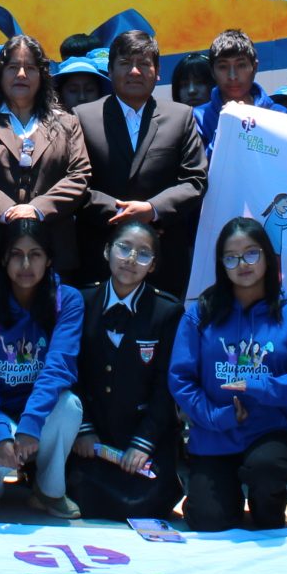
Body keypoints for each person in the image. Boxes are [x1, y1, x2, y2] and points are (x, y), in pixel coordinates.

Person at [170, 217, 287, 531]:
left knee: (266, 491)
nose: (242, 264)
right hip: (215, 432)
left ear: (267, 256)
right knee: (208, 520)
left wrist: (261, 385)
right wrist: (216, 416)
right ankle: (216, 493)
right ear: (221, 264)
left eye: (251, 253)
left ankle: (266, 499)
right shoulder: (200, 314)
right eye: (231, 257)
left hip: (271, 431)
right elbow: (181, 379)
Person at [0, 34, 92, 321]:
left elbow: (79, 175)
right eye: (13, 67)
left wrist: (37, 209)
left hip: (52, 252)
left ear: (43, 75)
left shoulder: (67, 122)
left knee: (49, 335)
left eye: (30, 68)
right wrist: (8, 211)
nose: (21, 75)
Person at [0, 221, 86, 515]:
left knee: (70, 406)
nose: (26, 264)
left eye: (35, 254)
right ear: (3, 259)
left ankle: (48, 491)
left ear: (49, 259)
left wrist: (30, 423)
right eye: (16, 254)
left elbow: (59, 367)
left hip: (37, 412)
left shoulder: (67, 301)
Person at [73, 29, 208, 294]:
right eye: (125, 63)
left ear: (157, 73)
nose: (134, 71)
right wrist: (121, 214)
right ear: (110, 71)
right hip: (98, 258)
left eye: (144, 64)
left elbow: (195, 181)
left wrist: (152, 209)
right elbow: (74, 183)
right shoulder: (83, 117)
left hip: (164, 261)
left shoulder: (180, 117)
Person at [68, 221, 183, 521]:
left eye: (143, 254)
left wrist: (143, 443)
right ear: (107, 251)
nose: (131, 259)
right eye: (124, 248)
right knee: (81, 492)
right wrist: (84, 430)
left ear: (153, 265)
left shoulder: (167, 311)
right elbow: (69, 373)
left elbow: (166, 386)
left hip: (140, 433)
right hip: (93, 437)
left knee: (147, 501)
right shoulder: (81, 301)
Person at [194, 28, 282, 156]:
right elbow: (201, 166)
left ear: (254, 67)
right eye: (223, 67)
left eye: (241, 65)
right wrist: (227, 125)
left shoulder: (279, 114)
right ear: (212, 72)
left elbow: (286, 161)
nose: (232, 76)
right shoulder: (198, 118)